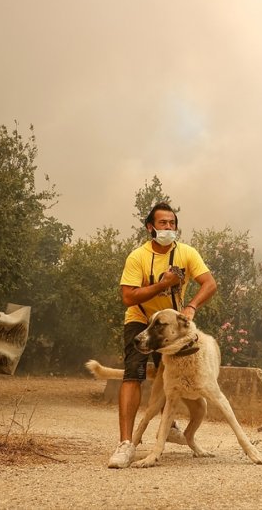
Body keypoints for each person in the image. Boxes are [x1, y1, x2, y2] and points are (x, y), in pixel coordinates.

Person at [107, 201, 217, 469]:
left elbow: (209, 283)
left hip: (170, 327)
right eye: (163, 223)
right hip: (141, 319)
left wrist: (191, 306)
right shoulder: (137, 257)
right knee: (133, 374)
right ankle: (126, 443)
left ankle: (170, 427)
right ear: (150, 227)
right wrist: (162, 284)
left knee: (172, 377)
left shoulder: (187, 253)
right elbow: (128, 297)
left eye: (172, 223)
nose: (168, 227)